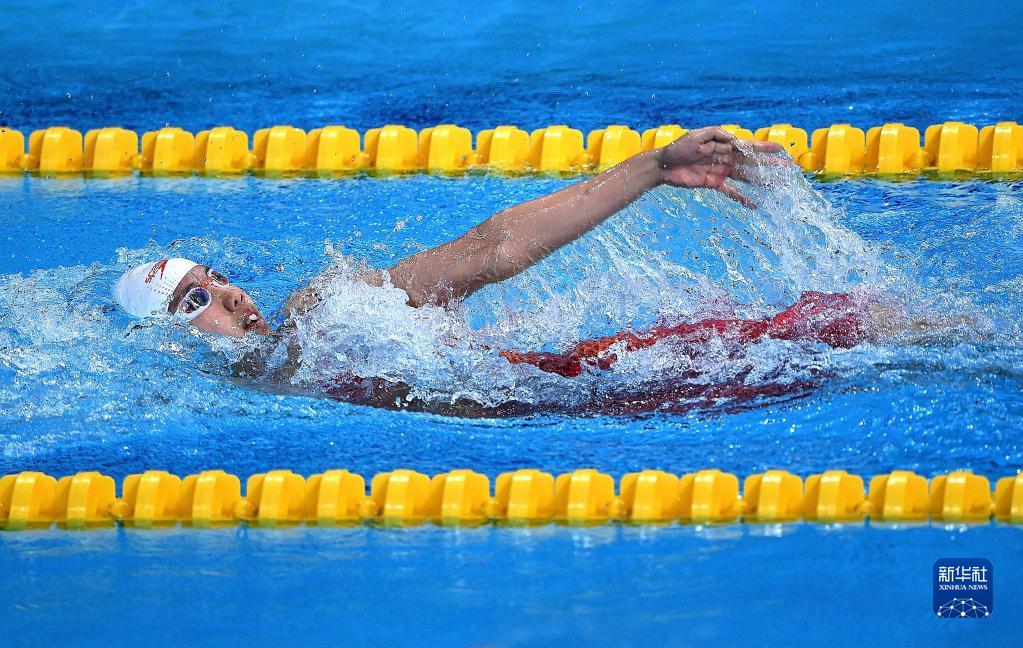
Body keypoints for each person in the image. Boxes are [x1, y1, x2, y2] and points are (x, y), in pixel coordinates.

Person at [110, 127, 916, 413]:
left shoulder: (325, 314)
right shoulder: (278, 375)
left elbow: (489, 251)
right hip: (578, 400)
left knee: (844, 328)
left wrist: (650, 168)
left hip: (587, 385)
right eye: (196, 302)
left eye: (215, 277)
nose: (231, 293)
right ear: (167, 344)